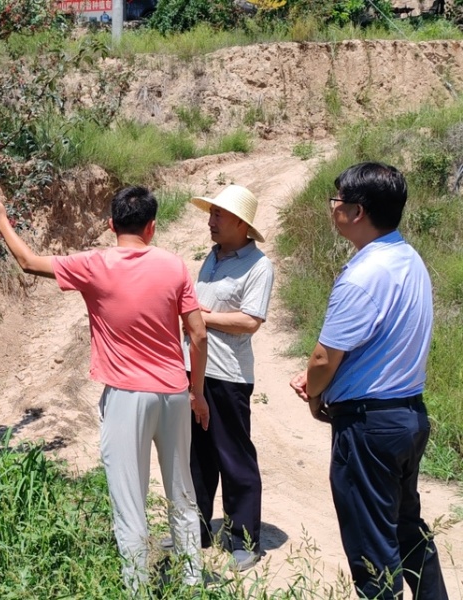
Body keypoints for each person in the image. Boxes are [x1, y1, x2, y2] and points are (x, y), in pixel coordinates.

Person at [0, 186, 210, 593]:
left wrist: (0, 217)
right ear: (152, 227)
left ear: (110, 225)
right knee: (182, 491)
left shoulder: (94, 264)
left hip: (126, 396)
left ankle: (136, 588)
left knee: (129, 497)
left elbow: (28, 262)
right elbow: (199, 334)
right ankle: (193, 584)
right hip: (173, 393)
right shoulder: (173, 266)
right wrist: (198, 392)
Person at [289, 162, 448, 599]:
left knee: (371, 549)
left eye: (336, 200)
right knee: (405, 528)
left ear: (357, 212)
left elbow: (324, 357)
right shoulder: (408, 258)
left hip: (369, 427)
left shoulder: (361, 276)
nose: (332, 208)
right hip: (408, 416)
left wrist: (315, 392)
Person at [183, 185, 273, 571]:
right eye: (211, 214)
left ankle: (245, 540)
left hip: (229, 377)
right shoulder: (213, 257)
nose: (210, 221)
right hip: (196, 369)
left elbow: (250, 321)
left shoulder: (258, 266)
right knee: (196, 457)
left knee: (234, 457)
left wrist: (200, 316)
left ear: (241, 223)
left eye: (218, 215)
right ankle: (197, 530)